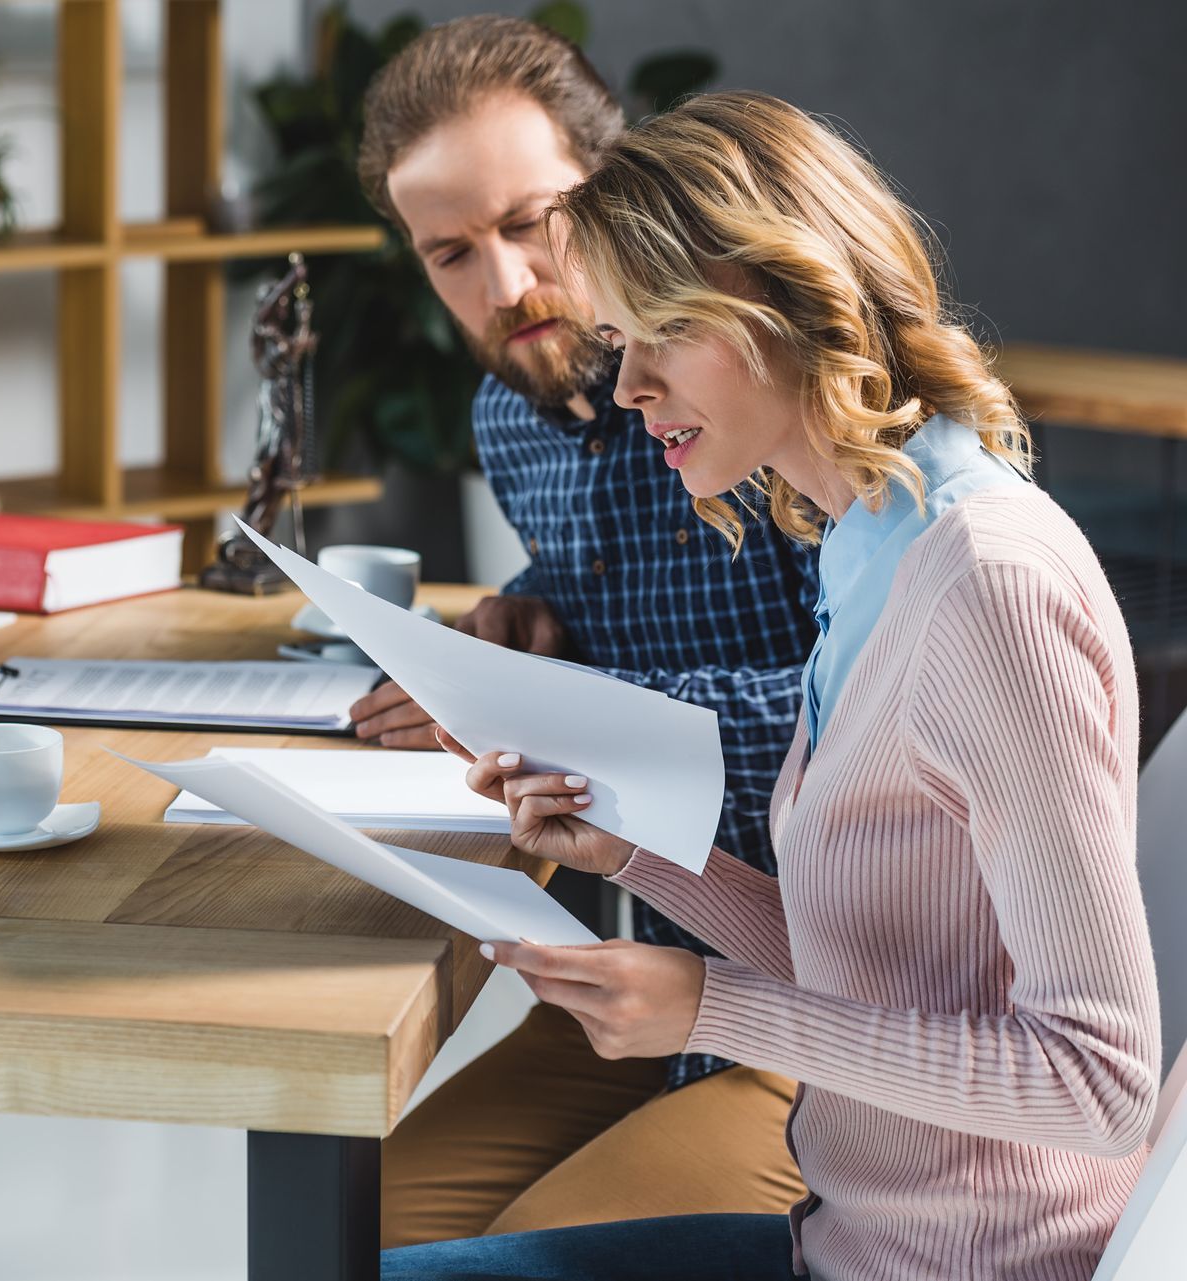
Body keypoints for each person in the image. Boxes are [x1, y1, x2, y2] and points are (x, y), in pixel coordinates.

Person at [385, 90, 1161, 1281]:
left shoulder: (986, 586)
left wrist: (713, 1010)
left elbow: (1101, 1086)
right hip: (847, 1241)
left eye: (659, 336)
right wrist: (633, 852)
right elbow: (858, 960)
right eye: (620, 342)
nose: (629, 386)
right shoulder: (864, 546)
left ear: (781, 300)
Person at [351, 18, 815, 1245]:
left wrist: (567, 701)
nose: (502, 288)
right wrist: (526, 617)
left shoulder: (757, 392)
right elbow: (604, 572)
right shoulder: (512, 420)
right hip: (655, 965)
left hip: (845, 1005)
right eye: (450, 252)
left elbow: (874, 713)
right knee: (353, 1233)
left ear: (619, 192)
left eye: (528, 223)